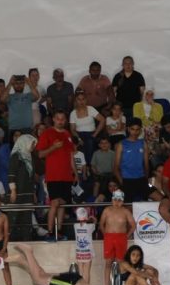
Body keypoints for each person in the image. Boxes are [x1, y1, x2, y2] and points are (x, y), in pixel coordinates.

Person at [38, 110, 76, 241]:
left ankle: (59, 231)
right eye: (58, 118)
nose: (60, 121)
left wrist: (75, 172)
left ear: (65, 120)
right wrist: (53, 147)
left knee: (63, 204)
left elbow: (71, 155)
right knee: (54, 203)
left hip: (66, 176)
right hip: (53, 175)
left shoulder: (67, 134)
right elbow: (40, 154)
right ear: (53, 119)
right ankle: (49, 232)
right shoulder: (47, 133)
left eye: (62, 119)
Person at [98, 190, 135, 279]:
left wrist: (126, 236)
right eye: (115, 200)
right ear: (112, 200)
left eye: (119, 200)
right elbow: (101, 224)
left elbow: (133, 225)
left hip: (121, 238)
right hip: (109, 237)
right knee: (108, 263)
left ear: (122, 201)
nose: (117, 202)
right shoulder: (107, 210)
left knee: (121, 262)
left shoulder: (126, 211)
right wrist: (105, 235)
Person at [115, 119, 150, 202]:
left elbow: (146, 165)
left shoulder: (143, 143)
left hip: (141, 179)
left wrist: (146, 179)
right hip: (127, 180)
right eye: (132, 129)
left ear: (140, 130)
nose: (135, 132)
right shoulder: (121, 144)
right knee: (129, 207)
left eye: (137, 129)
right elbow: (116, 167)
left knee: (155, 200)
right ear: (128, 129)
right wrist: (122, 182)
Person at [70, 90, 104, 163]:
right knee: (80, 148)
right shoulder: (73, 113)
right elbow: (72, 129)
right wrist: (78, 139)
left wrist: (95, 134)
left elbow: (102, 120)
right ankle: (84, 168)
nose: (81, 101)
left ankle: (90, 167)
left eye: (83, 99)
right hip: (79, 135)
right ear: (76, 101)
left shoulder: (91, 109)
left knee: (90, 142)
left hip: (91, 134)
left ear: (86, 100)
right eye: (79, 99)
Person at [7, 133, 37, 205]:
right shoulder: (16, 156)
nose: (33, 146)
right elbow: (11, 174)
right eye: (32, 144)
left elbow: (32, 177)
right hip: (17, 192)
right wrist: (13, 191)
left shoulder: (30, 158)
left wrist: (33, 193)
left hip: (28, 193)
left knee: (27, 215)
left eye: (33, 144)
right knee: (16, 214)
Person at [73, 207, 95, 285]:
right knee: (87, 271)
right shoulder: (90, 227)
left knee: (80, 272)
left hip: (79, 252)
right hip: (88, 252)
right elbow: (94, 222)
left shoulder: (75, 226)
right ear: (86, 216)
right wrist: (92, 219)